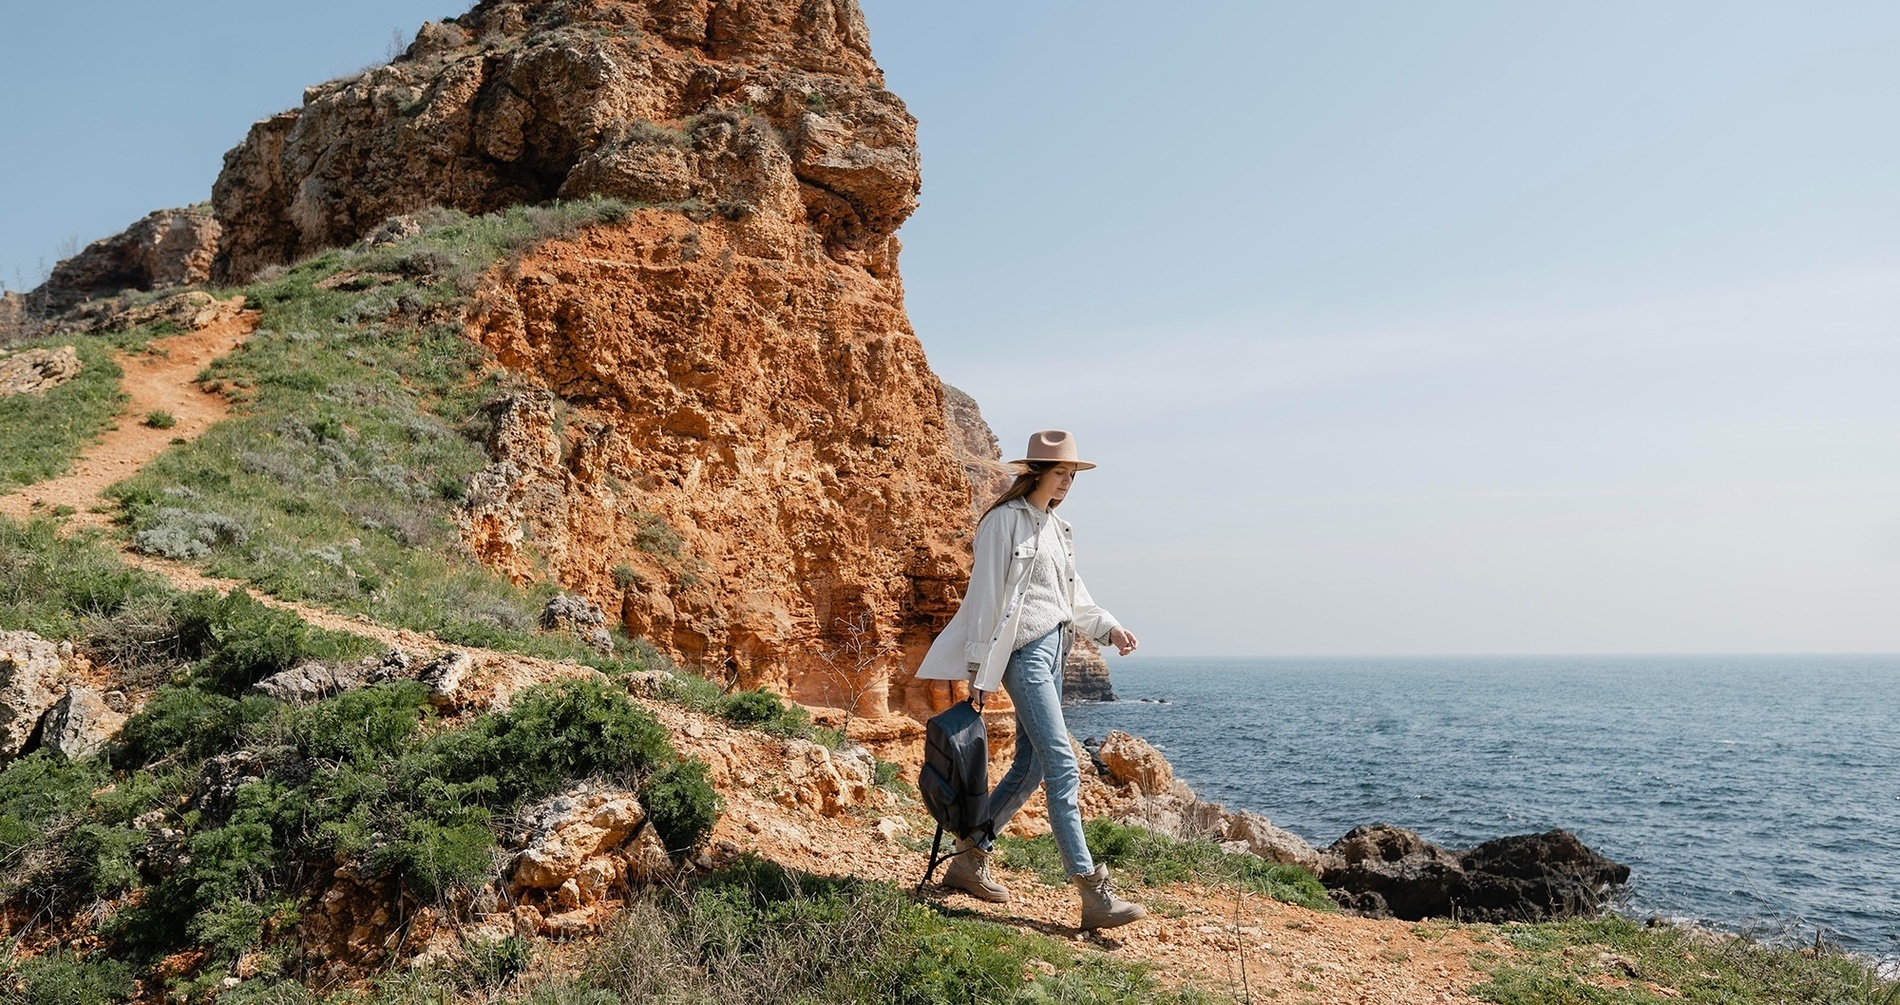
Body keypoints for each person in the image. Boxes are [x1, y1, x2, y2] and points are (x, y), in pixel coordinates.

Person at [915, 429, 1146, 931]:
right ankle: (1092, 893)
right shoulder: (1003, 522)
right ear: (1036, 472)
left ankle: (969, 859)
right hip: (1022, 654)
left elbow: (1072, 595)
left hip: (1058, 648)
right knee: (1063, 762)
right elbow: (984, 596)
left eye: (1071, 474)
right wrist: (978, 669)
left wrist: (1109, 627)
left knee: (1031, 765)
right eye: (1060, 473)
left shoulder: (1058, 527)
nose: (1066, 482)